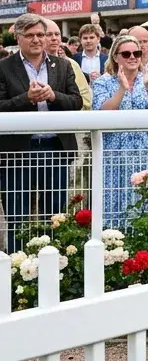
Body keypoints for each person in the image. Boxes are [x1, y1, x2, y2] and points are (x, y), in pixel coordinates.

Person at [0, 14, 83, 250]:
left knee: (55, 213)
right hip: (17, 152)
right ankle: (18, 266)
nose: (36, 40)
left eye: (40, 34)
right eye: (30, 35)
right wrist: (25, 99)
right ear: (18, 38)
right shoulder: (4, 68)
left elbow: (77, 101)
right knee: (17, 213)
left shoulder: (63, 65)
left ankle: (56, 261)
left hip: (55, 148)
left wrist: (53, 96)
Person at [91, 35, 148, 224]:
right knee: (117, 199)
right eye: (126, 53)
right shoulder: (103, 82)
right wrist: (122, 89)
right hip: (115, 153)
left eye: (137, 53)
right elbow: (103, 112)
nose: (132, 57)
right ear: (116, 57)